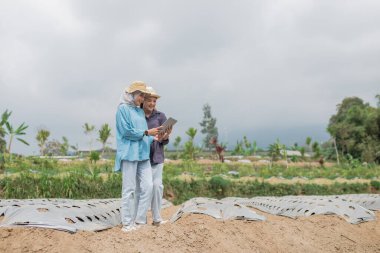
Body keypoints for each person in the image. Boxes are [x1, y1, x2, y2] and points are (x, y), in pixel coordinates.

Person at [114, 81, 161, 232]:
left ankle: (140, 220)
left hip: (143, 154)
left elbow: (142, 134)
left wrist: (154, 137)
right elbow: (127, 132)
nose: (143, 98)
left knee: (148, 186)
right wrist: (147, 133)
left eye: (144, 95)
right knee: (129, 189)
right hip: (129, 154)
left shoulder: (139, 111)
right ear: (132, 94)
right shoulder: (122, 109)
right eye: (141, 95)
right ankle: (127, 223)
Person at [142, 87, 171, 226]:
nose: (152, 103)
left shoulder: (161, 116)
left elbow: (164, 140)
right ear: (143, 100)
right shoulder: (137, 115)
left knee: (157, 186)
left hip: (157, 156)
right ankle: (140, 219)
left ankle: (157, 219)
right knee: (143, 188)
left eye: (154, 101)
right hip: (142, 157)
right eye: (149, 100)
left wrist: (164, 137)